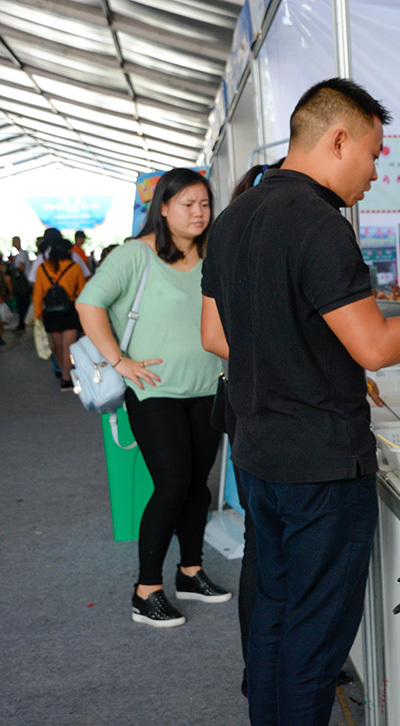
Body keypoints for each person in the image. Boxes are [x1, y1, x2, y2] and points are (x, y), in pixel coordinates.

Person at [200, 77, 400, 725]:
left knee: (271, 616)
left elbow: (215, 334)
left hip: (258, 455)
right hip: (322, 468)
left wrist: (300, 353)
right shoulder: (319, 224)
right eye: (374, 153)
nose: (376, 172)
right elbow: (376, 347)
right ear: (337, 139)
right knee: (314, 639)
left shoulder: (234, 218)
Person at [76, 168, 228, 628]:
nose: (199, 212)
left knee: (197, 485)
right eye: (188, 204)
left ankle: (190, 571)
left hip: (208, 387)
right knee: (172, 482)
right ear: (162, 207)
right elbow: (89, 304)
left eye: (204, 203)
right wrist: (119, 360)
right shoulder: (133, 255)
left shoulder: (212, 253)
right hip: (153, 390)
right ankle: (146, 589)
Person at [31, 229, 85, 386]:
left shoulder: (42, 269)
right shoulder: (75, 268)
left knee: (58, 346)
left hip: (50, 313)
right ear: (68, 251)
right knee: (69, 346)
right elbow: (82, 292)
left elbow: (38, 293)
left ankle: (64, 374)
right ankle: (67, 378)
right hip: (70, 311)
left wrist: (37, 314)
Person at [9, 236, 31, 330]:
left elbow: (21, 268)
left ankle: (23, 323)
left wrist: (11, 270)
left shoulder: (22, 254)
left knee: (23, 304)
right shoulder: (21, 254)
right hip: (22, 284)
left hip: (23, 284)